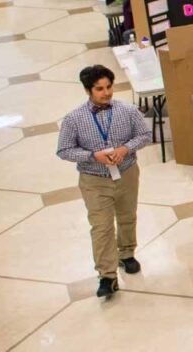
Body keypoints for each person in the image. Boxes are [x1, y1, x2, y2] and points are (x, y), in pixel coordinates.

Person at [55, 65, 152, 298]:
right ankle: (107, 276)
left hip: (127, 173)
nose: (106, 93)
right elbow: (64, 150)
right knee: (101, 227)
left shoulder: (128, 111)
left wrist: (125, 149)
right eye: (99, 89)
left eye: (109, 87)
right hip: (94, 180)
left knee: (127, 215)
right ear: (88, 90)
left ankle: (126, 253)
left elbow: (145, 135)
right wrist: (92, 155)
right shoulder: (74, 119)